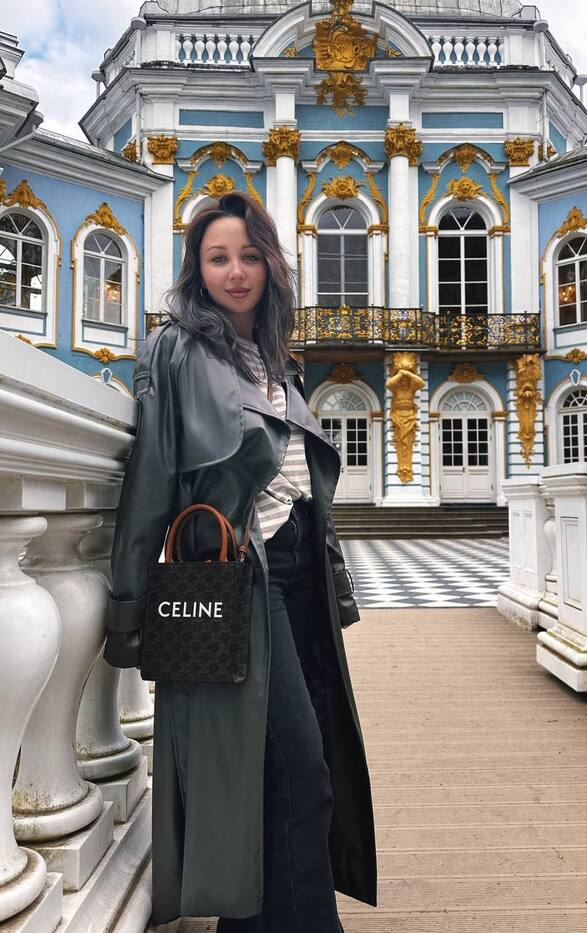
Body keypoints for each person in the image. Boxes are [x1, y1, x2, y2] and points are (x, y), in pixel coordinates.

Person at [103, 191, 377, 930]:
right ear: (196, 267)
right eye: (218, 257)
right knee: (303, 770)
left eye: (250, 256)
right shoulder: (177, 350)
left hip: (298, 573)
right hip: (238, 579)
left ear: (271, 265)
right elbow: (152, 479)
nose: (235, 272)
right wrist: (128, 611)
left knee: (283, 771)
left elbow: (302, 483)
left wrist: (336, 583)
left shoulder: (276, 360)